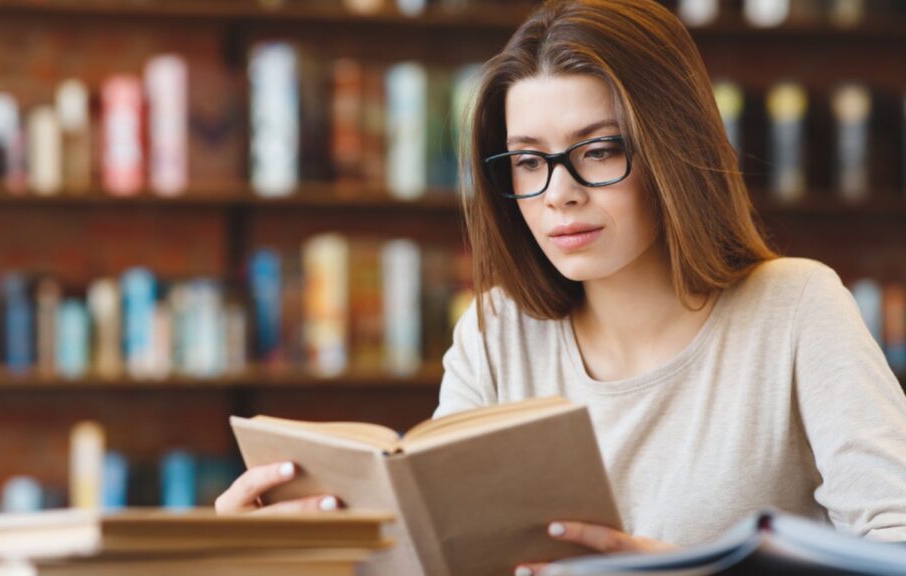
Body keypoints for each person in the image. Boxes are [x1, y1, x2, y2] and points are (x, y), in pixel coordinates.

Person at [217, 0, 906, 573]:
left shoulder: (796, 308)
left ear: (671, 147)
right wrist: (265, 552)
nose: (559, 194)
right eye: (527, 161)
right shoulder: (496, 332)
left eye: (599, 150)